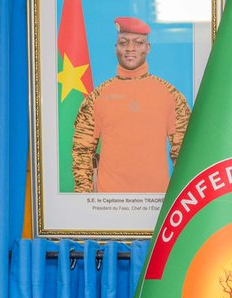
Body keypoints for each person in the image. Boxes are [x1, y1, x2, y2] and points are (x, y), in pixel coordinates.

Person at [72, 16, 191, 193]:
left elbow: (185, 154)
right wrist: (85, 202)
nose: (130, 49)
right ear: (116, 48)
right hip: (109, 206)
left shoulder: (171, 95)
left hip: (156, 207)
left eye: (138, 42)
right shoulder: (97, 96)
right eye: (123, 42)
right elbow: (82, 152)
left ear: (148, 48)